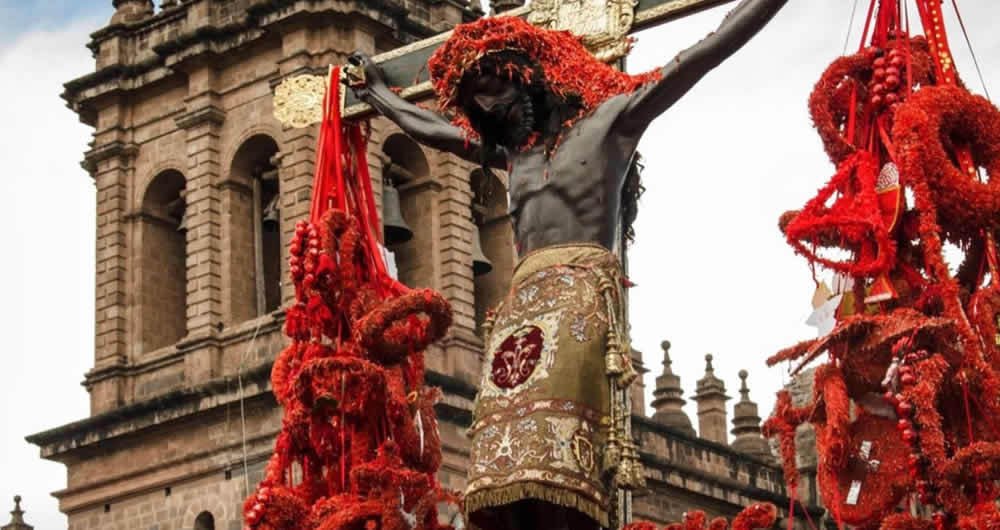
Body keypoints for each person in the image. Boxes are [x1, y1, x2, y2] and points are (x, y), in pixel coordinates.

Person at [347, 1, 787, 527]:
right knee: (496, 469)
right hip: (518, 311)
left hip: (579, 298)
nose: (487, 110)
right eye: (478, 105)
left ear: (529, 80)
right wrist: (373, 93)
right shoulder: (514, 154)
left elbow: (707, 50)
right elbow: (436, 132)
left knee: (560, 458)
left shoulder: (612, 121)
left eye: (494, 91)